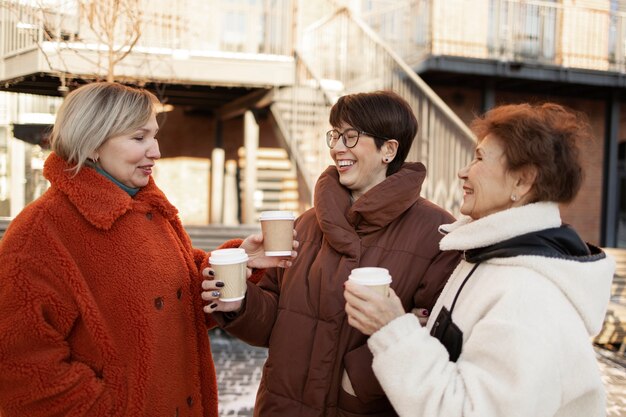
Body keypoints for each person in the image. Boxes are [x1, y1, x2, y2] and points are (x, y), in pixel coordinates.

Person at [0, 82, 295, 417]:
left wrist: (239, 260)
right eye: (139, 138)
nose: (156, 151)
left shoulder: (149, 209)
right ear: (93, 142)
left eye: (154, 136)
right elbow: (21, 368)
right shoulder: (40, 233)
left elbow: (175, 295)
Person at [344, 102, 616, 417]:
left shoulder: (528, 296)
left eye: (479, 158)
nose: (463, 171)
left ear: (522, 181)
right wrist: (428, 331)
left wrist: (392, 329)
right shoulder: (494, 258)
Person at [201, 90, 461, 416]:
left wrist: (357, 380)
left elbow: (436, 335)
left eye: (351, 136)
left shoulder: (436, 234)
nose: (337, 147)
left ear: (389, 150)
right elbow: (273, 325)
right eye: (335, 134)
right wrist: (240, 301)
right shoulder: (306, 224)